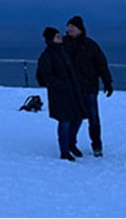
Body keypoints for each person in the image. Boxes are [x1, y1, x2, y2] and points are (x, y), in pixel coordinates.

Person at [63, 15, 114, 157]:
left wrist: (107, 82)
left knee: (93, 118)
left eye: (73, 28)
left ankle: (97, 146)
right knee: (74, 118)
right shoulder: (63, 44)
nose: (69, 30)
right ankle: (70, 144)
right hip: (72, 89)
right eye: (68, 28)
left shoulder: (90, 45)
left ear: (80, 29)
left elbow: (101, 64)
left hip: (89, 87)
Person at [35, 27, 87, 161]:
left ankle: (71, 144)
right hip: (60, 94)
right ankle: (64, 151)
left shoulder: (63, 51)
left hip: (73, 91)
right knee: (65, 121)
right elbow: (47, 76)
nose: (61, 38)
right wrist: (61, 86)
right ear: (51, 39)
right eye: (58, 36)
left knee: (78, 118)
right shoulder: (47, 55)